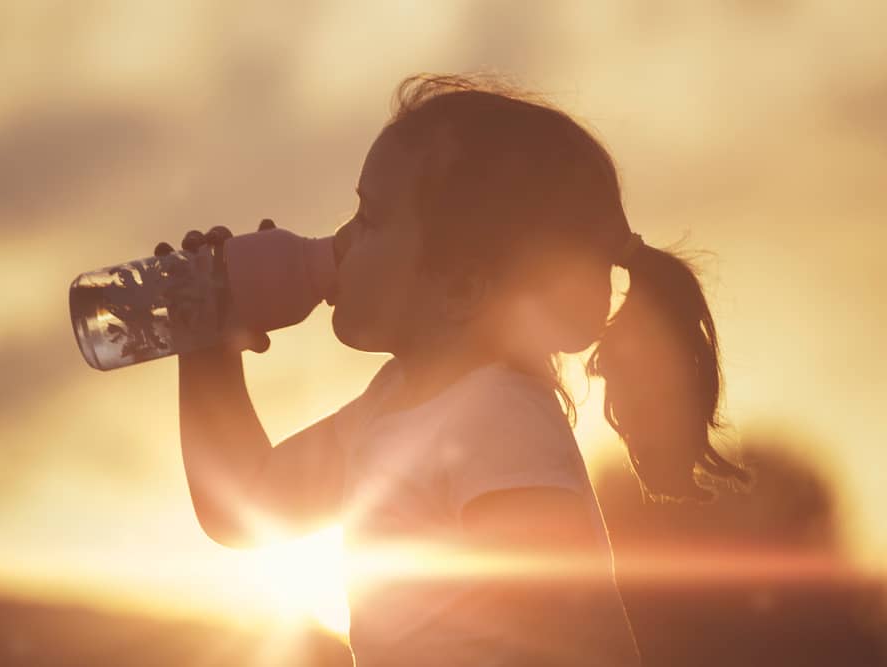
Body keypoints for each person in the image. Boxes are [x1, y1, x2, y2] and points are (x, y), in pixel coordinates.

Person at [154, 72, 749, 667]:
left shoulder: (499, 417)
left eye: (370, 219)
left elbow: (566, 633)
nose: (340, 240)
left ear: (460, 286)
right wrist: (206, 343)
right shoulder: (390, 404)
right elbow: (247, 509)